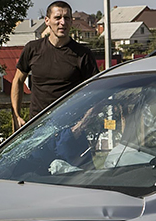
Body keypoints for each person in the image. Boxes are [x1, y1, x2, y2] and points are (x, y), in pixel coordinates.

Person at [11, 1, 97, 129]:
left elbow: (97, 92)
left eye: (67, 18)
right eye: (57, 18)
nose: (62, 22)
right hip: (37, 127)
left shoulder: (83, 54)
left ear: (71, 22)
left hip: (69, 129)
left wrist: (81, 124)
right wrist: (16, 116)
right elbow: (17, 80)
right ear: (47, 20)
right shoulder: (33, 49)